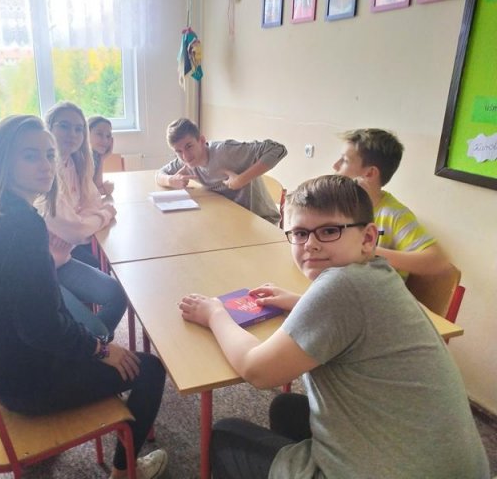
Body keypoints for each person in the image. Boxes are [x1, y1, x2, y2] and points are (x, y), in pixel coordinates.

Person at [179, 175, 489, 479]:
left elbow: (257, 370)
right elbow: (355, 316)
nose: (311, 245)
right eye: (300, 233)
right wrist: (299, 302)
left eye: (329, 231)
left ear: (368, 238)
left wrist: (215, 313)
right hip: (449, 466)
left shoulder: (341, 287)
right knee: (286, 408)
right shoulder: (375, 273)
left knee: (225, 434)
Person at [0, 115, 168, 479]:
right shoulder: (23, 227)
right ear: (3, 162)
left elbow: (32, 308)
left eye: (49, 155)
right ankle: (124, 473)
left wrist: (88, 340)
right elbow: (41, 329)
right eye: (30, 156)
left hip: (5, 368)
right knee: (151, 369)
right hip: (27, 384)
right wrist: (101, 350)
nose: (46, 165)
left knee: (90, 327)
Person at [37, 101, 127, 340]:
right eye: (64, 126)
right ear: (49, 129)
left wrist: (78, 224)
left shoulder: (76, 163)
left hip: (62, 259)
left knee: (118, 295)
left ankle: (92, 347)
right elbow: (77, 232)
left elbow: (92, 204)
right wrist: (104, 215)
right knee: (94, 333)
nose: (73, 134)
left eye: (78, 129)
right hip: (41, 271)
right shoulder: (45, 171)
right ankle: (93, 347)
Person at [333, 128, 449, 279]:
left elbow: (438, 262)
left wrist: (368, 249)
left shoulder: (394, 215)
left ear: (370, 173)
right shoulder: (338, 205)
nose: (335, 165)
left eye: (345, 161)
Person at [155, 118, 287, 225]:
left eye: (189, 146)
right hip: (230, 219)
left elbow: (278, 149)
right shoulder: (186, 162)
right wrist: (171, 181)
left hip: (260, 220)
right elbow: (159, 174)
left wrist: (240, 180)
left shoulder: (225, 151)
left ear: (202, 141)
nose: (185, 156)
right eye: (178, 151)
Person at [89, 115, 116, 196]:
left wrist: (101, 159)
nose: (105, 140)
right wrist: (103, 190)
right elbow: (88, 194)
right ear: (86, 134)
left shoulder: (95, 155)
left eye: (108, 136)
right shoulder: (81, 157)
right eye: (99, 134)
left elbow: (96, 186)